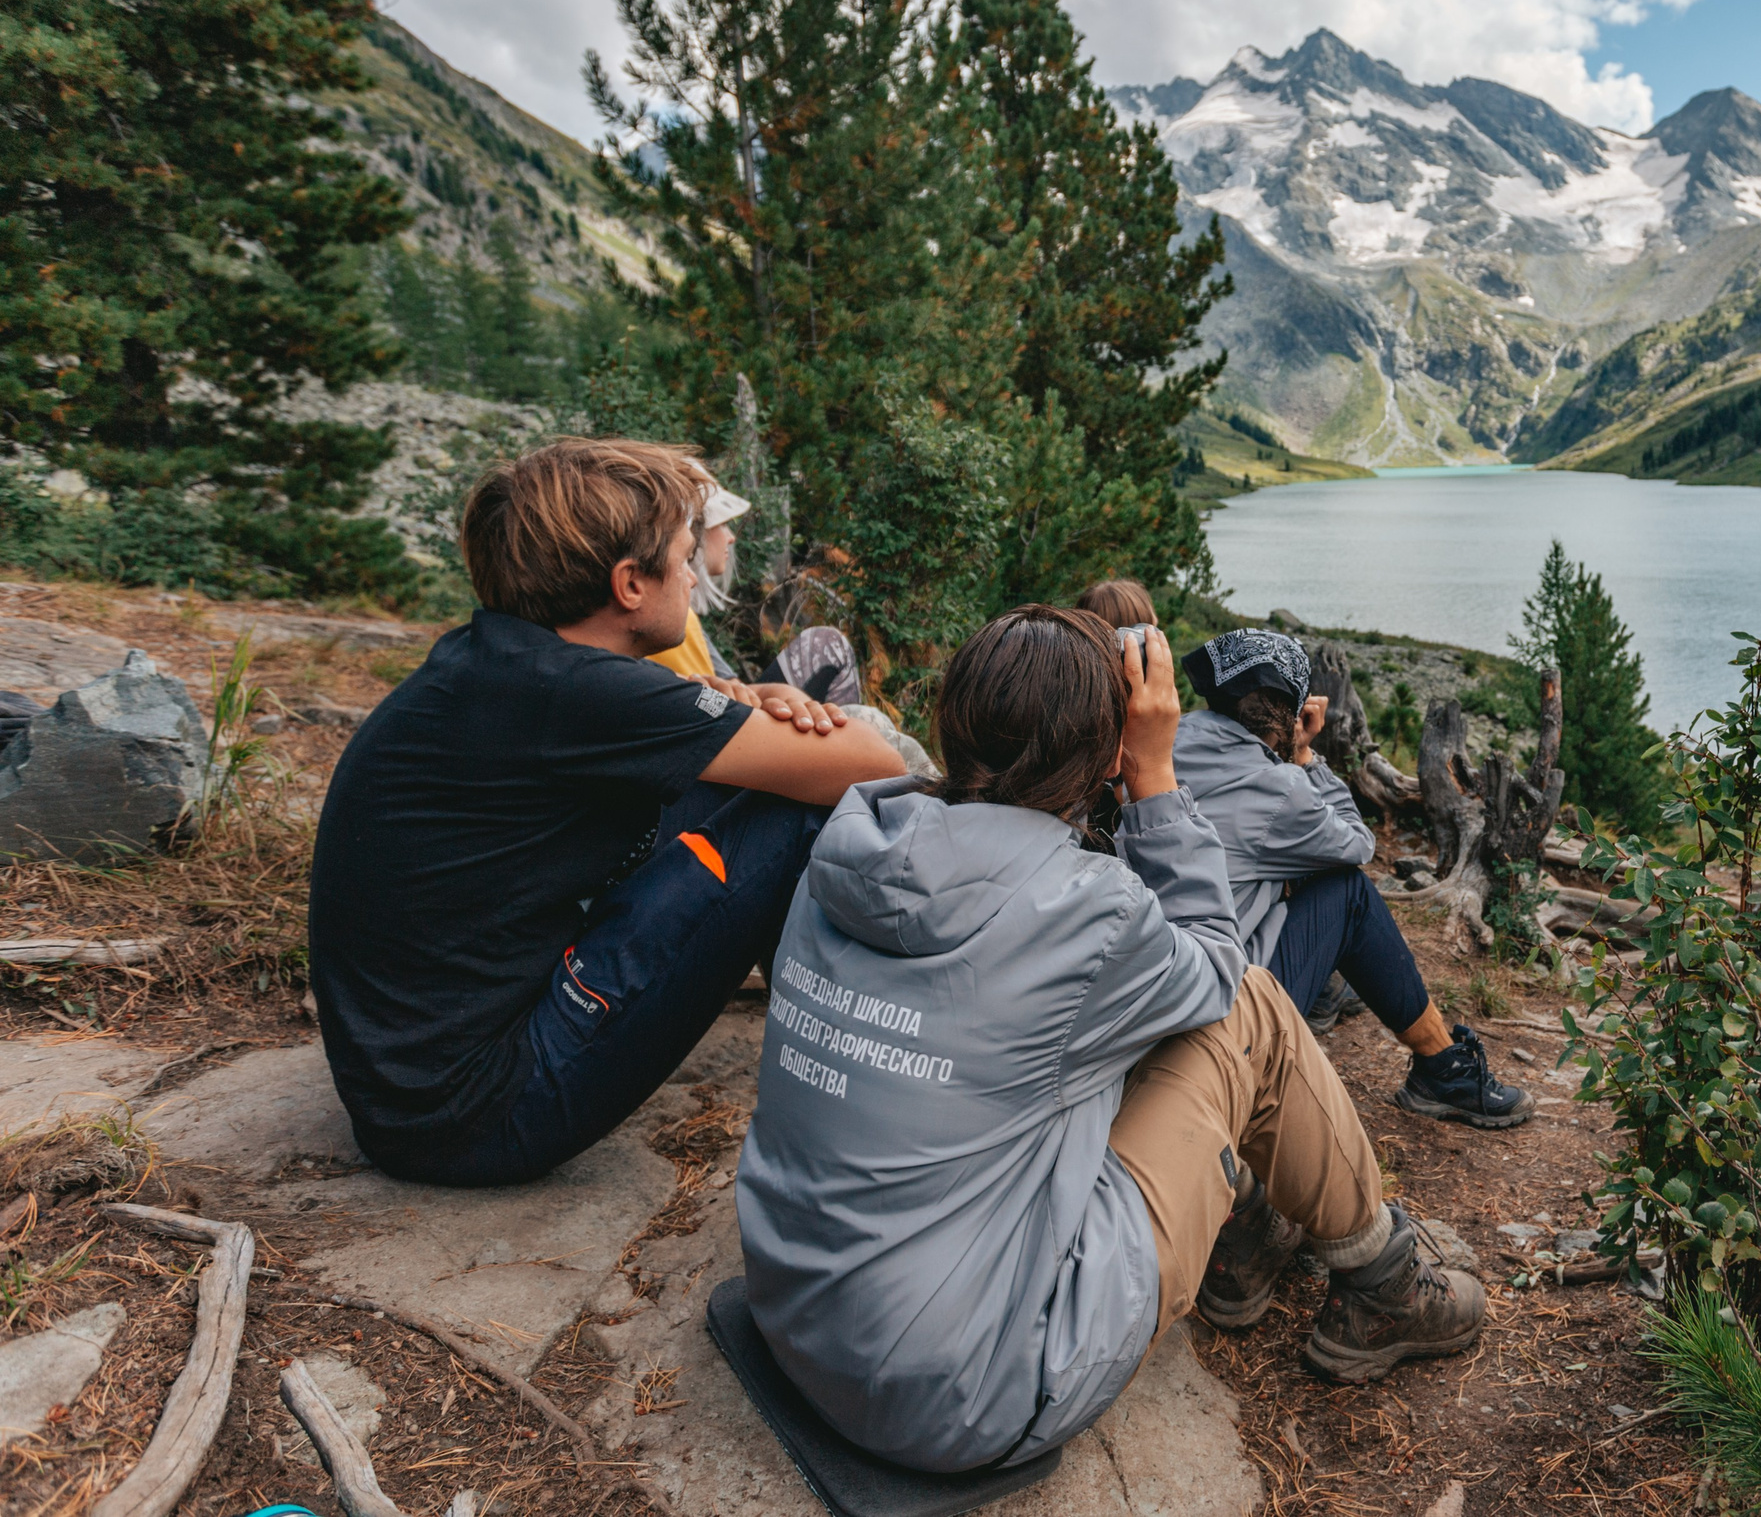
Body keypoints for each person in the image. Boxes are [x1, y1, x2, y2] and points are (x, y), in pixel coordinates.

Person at [737, 607, 1484, 1475]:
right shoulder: (1081, 908)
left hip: (793, 1312)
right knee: (1249, 1003)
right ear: (1106, 753)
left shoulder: (848, 844)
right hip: (966, 1390)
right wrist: (1156, 778)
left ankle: (1247, 1240)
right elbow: (1214, 974)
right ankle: (1385, 1280)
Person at [307, 438, 908, 1186]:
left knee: (735, 784)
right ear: (629, 584)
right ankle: (864, 1086)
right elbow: (878, 766)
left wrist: (741, 708)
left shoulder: (503, 663)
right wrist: (786, 723)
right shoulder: (578, 692)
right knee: (789, 814)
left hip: (407, 1094)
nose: (692, 576)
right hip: (480, 1115)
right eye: (684, 558)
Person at [1173, 629, 1531, 1131]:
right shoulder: (1278, 791)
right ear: (1289, 714)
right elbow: (1357, 843)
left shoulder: (1173, 739)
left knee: (1283, 874)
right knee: (1347, 891)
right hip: (1224, 1021)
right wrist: (1304, 756)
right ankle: (1442, 1067)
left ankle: (1324, 995)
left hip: (1171, 986)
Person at [647, 469, 860, 708]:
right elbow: (709, 704)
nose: (731, 537)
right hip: (722, 724)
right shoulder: (668, 617)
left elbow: (728, 691)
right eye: (722, 524)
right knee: (828, 646)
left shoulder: (682, 619)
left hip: (723, 716)